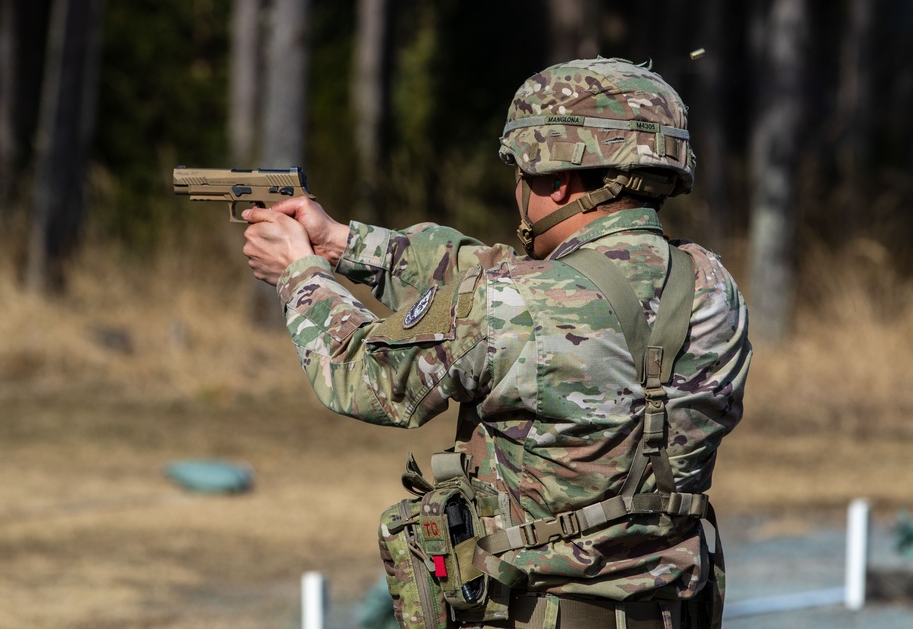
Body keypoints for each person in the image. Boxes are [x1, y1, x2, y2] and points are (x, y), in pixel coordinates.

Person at [240, 58, 751, 629]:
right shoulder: (713, 286)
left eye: (522, 175)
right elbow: (496, 284)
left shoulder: (511, 301)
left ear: (555, 179)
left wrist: (300, 275)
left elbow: (359, 374)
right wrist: (344, 243)